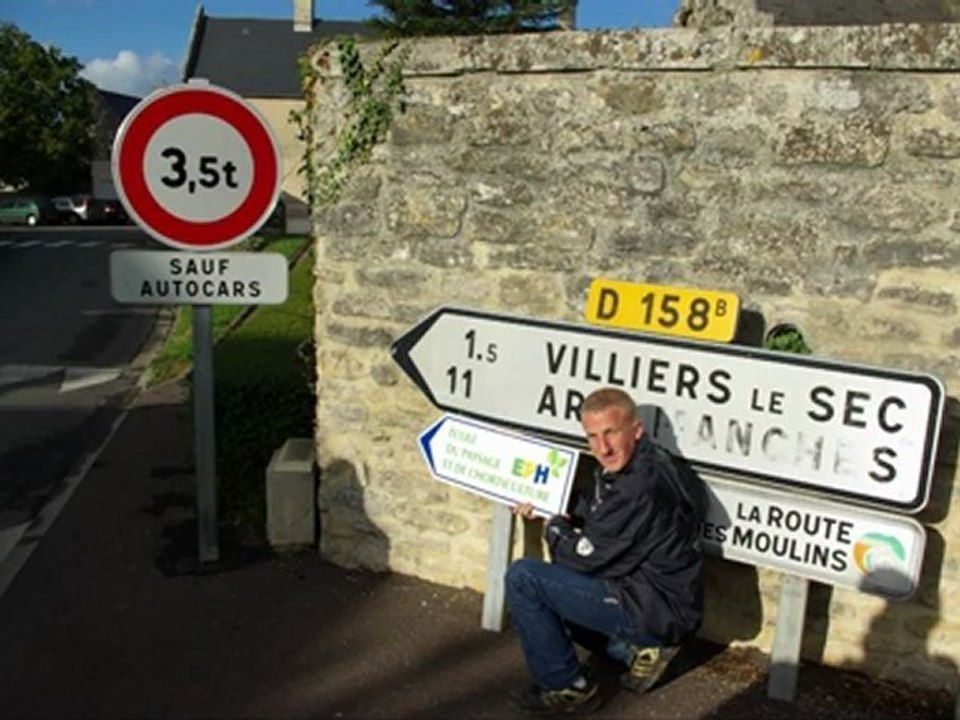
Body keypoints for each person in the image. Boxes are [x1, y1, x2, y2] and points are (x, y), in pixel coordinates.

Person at [506, 387, 704, 714]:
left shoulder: (639, 485)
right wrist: (549, 504)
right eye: (593, 436)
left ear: (636, 430)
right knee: (548, 606)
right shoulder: (640, 463)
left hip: (658, 606)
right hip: (655, 597)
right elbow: (602, 517)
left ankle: (568, 688)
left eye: (611, 433)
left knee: (525, 580)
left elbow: (586, 558)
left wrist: (555, 528)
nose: (603, 447)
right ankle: (637, 653)